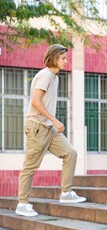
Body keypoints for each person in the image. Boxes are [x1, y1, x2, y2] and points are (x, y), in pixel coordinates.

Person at [15, 44, 86, 217]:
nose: (66, 61)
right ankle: (22, 204)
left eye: (66, 58)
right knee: (30, 167)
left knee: (70, 153)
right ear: (54, 57)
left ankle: (66, 193)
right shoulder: (45, 75)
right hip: (37, 127)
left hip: (49, 127)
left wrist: (52, 122)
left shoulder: (55, 78)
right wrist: (54, 119)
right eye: (63, 58)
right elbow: (35, 102)